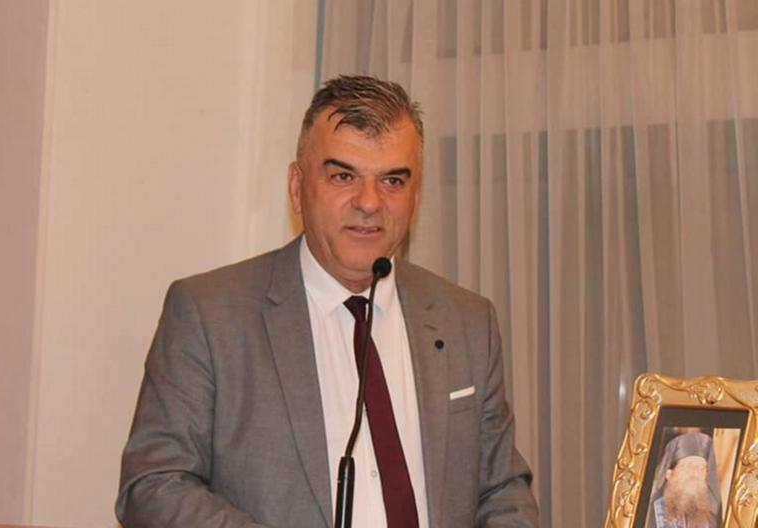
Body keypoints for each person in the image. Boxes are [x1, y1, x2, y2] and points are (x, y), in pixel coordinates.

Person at [116, 75, 538, 527]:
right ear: (297, 187)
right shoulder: (209, 315)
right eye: (343, 176)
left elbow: (503, 491)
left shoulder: (467, 321)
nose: (369, 203)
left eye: (392, 180)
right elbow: (154, 484)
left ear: (416, 197)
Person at [646, 431, 723, 528]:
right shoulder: (649, 513)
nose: (694, 473)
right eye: (687, 466)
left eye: (701, 468)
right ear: (669, 474)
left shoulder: (710, 520)